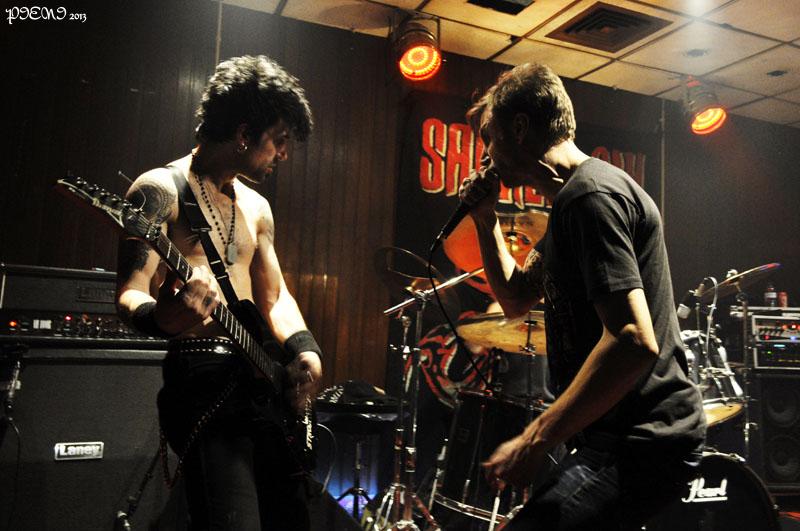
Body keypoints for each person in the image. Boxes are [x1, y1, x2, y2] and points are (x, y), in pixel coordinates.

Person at [459, 63, 706, 530]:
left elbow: (632, 339)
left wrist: (535, 438)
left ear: (519, 128)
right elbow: (516, 298)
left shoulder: (590, 197)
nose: (487, 155)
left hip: (644, 439)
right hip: (616, 437)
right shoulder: (572, 205)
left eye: (489, 138)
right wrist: (485, 219)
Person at [115, 55, 322, 530]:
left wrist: (305, 349)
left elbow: (275, 298)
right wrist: (163, 317)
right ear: (244, 133)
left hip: (261, 381)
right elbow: (129, 292)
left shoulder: (258, 207)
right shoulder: (159, 190)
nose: (283, 154)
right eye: (279, 140)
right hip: (202, 380)